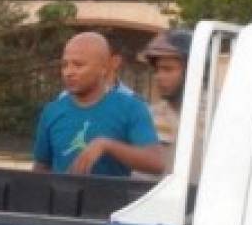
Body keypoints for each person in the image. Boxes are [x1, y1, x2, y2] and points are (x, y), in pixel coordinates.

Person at [33, 32, 164, 177]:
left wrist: (107, 145)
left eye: (78, 65)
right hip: (63, 198)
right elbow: (41, 166)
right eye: (64, 65)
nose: (68, 72)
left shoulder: (131, 108)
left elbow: (155, 163)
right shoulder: (52, 111)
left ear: (104, 68)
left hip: (113, 199)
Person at [140, 28, 193, 173]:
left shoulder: (217, 115)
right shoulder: (149, 116)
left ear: (192, 70)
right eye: (157, 70)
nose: (159, 77)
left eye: (168, 69)